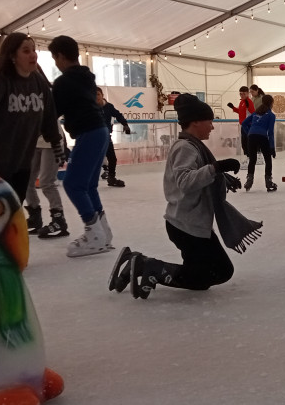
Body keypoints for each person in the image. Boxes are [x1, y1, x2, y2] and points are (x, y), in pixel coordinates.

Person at [108, 94, 262, 299]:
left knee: (213, 273)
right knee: (212, 274)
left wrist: (220, 176)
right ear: (196, 121)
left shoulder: (193, 146)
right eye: (210, 121)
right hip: (186, 225)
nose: (212, 127)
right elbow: (185, 181)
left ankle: (139, 264)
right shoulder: (185, 147)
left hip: (192, 224)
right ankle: (149, 267)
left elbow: (199, 173)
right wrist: (216, 168)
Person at [0, 32, 64, 206]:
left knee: (15, 205)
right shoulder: (0, 82)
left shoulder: (38, 81)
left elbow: (49, 112)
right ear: (12, 56)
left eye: (33, 50)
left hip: (23, 161)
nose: (33, 54)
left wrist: (55, 141)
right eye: (26, 51)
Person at [48, 35, 113, 257]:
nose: (55, 63)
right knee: (89, 185)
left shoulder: (64, 82)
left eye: (54, 58)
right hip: (100, 131)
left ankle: (94, 234)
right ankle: (103, 232)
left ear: (60, 56)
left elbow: (52, 112)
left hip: (89, 133)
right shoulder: (85, 77)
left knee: (73, 185)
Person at [26, 129, 70, 239]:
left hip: (51, 141)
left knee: (46, 182)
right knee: (26, 180)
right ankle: (34, 217)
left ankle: (59, 220)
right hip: (33, 141)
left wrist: (59, 146)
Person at [96, 87, 132, 188]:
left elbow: (118, 115)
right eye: (93, 94)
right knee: (94, 159)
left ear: (102, 95)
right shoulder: (91, 108)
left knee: (112, 158)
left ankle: (111, 177)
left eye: (98, 94)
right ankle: (88, 179)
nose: (96, 97)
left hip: (106, 137)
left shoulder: (109, 107)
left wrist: (125, 124)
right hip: (94, 138)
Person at [242, 94, 277, 192]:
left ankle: (249, 181)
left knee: (252, 159)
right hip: (262, 137)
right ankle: (268, 182)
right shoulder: (271, 115)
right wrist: (272, 147)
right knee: (268, 160)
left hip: (251, 136)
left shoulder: (255, 113)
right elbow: (270, 132)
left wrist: (249, 132)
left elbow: (244, 123)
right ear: (271, 103)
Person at [228, 86, 255, 157]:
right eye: (241, 94)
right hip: (243, 125)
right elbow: (240, 112)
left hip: (248, 125)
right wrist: (233, 107)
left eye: (244, 94)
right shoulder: (242, 102)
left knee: (248, 142)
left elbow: (253, 113)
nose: (242, 95)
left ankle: (250, 157)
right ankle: (247, 156)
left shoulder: (249, 102)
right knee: (244, 143)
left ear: (248, 94)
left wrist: (248, 107)